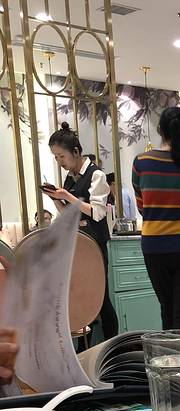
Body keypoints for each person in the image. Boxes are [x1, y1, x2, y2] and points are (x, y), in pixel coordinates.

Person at [132, 106, 180, 330]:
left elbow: (142, 207)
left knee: (166, 308)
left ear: (160, 130)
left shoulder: (141, 163)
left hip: (154, 247)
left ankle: (169, 352)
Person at [46, 123, 119, 341]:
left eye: (61, 156)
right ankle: (85, 347)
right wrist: (56, 200)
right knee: (83, 297)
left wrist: (67, 196)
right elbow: (70, 215)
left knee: (101, 298)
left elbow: (97, 212)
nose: (60, 162)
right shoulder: (71, 177)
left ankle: (112, 345)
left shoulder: (97, 175)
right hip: (78, 244)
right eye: (56, 158)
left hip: (95, 245)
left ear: (76, 152)